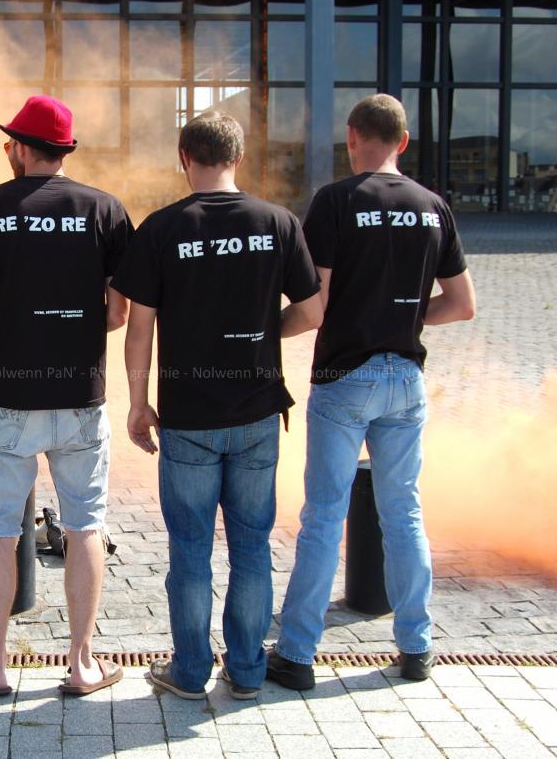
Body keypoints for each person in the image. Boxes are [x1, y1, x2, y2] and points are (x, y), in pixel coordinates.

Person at [268, 94, 476, 689]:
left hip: (344, 380)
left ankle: (299, 655)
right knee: (403, 512)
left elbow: (316, 306)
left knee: (323, 518)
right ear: (404, 143)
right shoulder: (434, 207)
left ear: (353, 137)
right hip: (405, 381)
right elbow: (463, 305)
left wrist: (265, 340)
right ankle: (416, 648)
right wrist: (403, 322)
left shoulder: (336, 202)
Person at [113, 112, 323, 700]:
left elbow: (139, 331)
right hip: (258, 415)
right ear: (238, 157)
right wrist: (263, 332)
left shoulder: (159, 229)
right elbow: (311, 312)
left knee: (190, 550)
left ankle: (188, 673)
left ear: (185, 158)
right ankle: (250, 672)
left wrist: (138, 403)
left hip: (189, 418)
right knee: (252, 548)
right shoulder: (278, 223)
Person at [0, 95, 132, 697]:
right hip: (80, 395)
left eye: (10, 144)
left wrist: (3, 326)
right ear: (65, 150)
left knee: (0, 531)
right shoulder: (103, 209)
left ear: (22, 149)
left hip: (7, 396)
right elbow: (118, 313)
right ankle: (81, 665)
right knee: (85, 527)